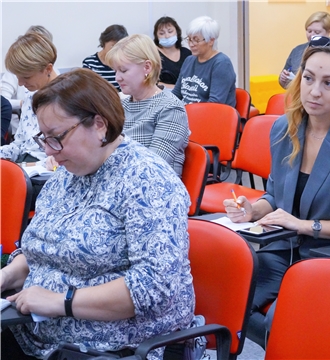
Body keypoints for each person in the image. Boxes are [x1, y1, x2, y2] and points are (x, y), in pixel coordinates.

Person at [0, 68, 195, 360]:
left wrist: (61, 302)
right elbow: (42, 247)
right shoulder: (67, 175)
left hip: (113, 345)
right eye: (45, 138)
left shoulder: (146, 180)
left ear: (100, 125)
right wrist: (6, 275)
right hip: (37, 333)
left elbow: (152, 288)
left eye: (57, 137)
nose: (50, 152)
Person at [224, 36, 330, 347]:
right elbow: (276, 195)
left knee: (284, 319)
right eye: (308, 78)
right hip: (284, 249)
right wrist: (254, 209)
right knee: (226, 298)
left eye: (328, 83)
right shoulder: (285, 127)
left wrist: (304, 226)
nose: (314, 91)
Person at [106, 34, 190, 176]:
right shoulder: (120, 105)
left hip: (154, 189)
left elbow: (152, 167)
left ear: (147, 67)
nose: (117, 78)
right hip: (120, 180)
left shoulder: (170, 108)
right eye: (115, 71)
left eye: (124, 70)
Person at [1, 32, 58, 163]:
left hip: (47, 173)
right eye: (17, 77)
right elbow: (19, 145)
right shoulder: (31, 97)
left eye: (26, 77)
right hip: (26, 166)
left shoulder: (69, 99)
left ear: (48, 69)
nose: (20, 83)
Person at [172, 16, 236, 107]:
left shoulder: (222, 63)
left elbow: (214, 105)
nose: (191, 44)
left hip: (210, 117)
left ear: (211, 41)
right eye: (189, 39)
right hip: (186, 116)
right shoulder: (189, 60)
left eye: (196, 40)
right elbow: (176, 94)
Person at [278, 11, 330, 89]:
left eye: (317, 32)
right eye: (309, 31)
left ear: (328, 32)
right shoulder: (297, 51)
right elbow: (285, 82)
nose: (312, 35)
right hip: (297, 99)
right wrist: (283, 79)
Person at [82, 24, 128, 92]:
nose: (115, 50)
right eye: (112, 46)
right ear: (104, 42)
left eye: (120, 47)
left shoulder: (123, 63)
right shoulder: (90, 63)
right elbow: (86, 89)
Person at [153, 16, 192, 88]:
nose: (167, 36)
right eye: (162, 33)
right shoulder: (153, 55)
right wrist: (176, 88)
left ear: (177, 32)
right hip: (162, 95)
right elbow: (152, 82)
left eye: (170, 31)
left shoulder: (187, 53)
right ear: (156, 36)